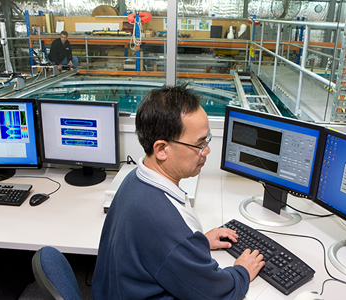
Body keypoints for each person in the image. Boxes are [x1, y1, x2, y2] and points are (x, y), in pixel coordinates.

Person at [92, 84, 265, 299]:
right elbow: (217, 294)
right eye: (200, 144)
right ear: (162, 149)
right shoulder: (167, 224)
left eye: (207, 140)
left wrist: (197, 243)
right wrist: (242, 272)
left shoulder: (134, 178)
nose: (207, 150)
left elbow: (158, 246)